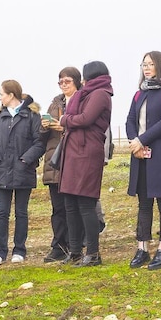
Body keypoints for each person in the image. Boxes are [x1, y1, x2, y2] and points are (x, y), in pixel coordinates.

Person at [126, 51, 161, 270]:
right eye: (144, 64)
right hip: (140, 153)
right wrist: (135, 143)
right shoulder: (138, 95)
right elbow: (130, 119)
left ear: (160, 66)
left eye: (150, 64)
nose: (146, 68)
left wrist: (141, 140)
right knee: (144, 202)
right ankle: (142, 247)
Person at [56, 61, 113, 267]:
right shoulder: (86, 93)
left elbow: (86, 119)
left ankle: (93, 253)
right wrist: (69, 118)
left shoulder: (100, 93)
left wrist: (64, 120)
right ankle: (75, 251)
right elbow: (76, 117)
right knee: (70, 203)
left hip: (87, 152)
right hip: (73, 152)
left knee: (86, 204)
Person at [0, 80, 46, 265]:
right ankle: (0, 251)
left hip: (23, 171)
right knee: (2, 212)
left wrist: (25, 160)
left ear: (11, 95)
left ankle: (19, 250)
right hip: (2, 171)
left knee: (21, 212)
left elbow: (39, 142)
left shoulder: (32, 116)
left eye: (2, 94)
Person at [40, 67, 82, 263]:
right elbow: (41, 136)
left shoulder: (83, 101)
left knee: (74, 206)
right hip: (54, 160)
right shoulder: (55, 102)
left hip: (74, 159)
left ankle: (76, 243)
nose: (64, 85)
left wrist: (65, 126)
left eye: (67, 81)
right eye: (61, 82)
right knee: (58, 208)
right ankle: (58, 245)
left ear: (77, 82)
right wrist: (44, 126)